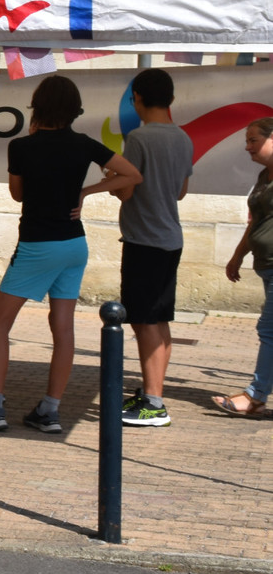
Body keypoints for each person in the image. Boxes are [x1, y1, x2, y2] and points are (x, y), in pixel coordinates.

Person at [0, 76, 142, 433]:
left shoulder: (22, 146)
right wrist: (86, 191)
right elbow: (132, 174)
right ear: (74, 109)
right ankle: (50, 410)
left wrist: (36, 143)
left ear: (37, 107)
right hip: (74, 244)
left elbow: (18, 194)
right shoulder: (84, 144)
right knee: (63, 328)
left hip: (38, 243)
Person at [112, 68, 193, 427]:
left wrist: (113, 184)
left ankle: (155, 402)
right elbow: (180, 191)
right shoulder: (183, 138)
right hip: (170, 238)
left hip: (144, 239)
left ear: (137, 99)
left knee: (144, 322)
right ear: (171, 100)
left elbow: (128, 189)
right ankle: (151, 393)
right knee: (158, 320)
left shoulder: (139, 138)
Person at [212, 117, 273, 417]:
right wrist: (238, 255)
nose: (247, 146)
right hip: (267, 265)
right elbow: (256, 223)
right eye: (247, 140)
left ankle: (255, 396)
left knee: (269, 329)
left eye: (254, 140)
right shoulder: (264, 177)